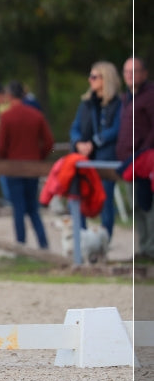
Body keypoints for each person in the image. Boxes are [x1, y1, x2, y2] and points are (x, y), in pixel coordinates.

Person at [0, 81, 54, 248]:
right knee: (33, 208)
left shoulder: (7, 117)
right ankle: (43, 244)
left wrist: (6, 158)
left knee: (18, 209)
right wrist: (39, 157)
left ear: (9, 96)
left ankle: (21, 246)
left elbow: (1, 147)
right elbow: (49, 142)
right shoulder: (36, 115)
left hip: (14, 168)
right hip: (33, 167)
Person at [68, 61, 122, 238]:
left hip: (106, 157)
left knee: (105, 200)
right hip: (85, 158)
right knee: (80, 196)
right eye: (90, 76)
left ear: (106, 79)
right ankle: (82, 240)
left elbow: (117, 128)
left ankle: (104, 242)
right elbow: (75, 127)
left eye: (94, 76)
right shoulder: (86, 103)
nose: (90, 80)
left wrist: (95, 141)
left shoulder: (118, 103)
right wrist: (78, 143)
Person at [116, 57, 154, 260]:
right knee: (136, 205)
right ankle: (143, 247)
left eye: (134, 71)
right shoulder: (127, 98)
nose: (130, 75)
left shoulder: (150, 96)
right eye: (126, 71)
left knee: (148, 205)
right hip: (130, 161)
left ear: (144, 73)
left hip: (145, 161)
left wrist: (144, 152)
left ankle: (151, 248)